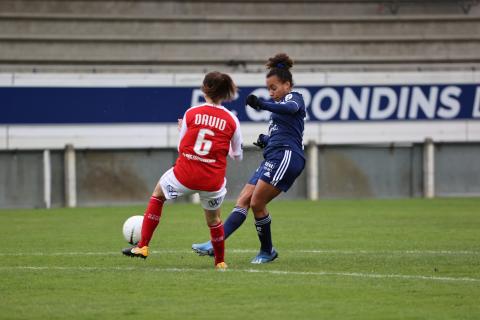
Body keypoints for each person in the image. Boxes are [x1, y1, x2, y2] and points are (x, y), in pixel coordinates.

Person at [122, 71, 243, 271]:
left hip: (185, 174)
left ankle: (142, 247)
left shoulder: (191, 113)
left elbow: (182, 148)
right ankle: (220, 262)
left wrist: (184, 132)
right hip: (212, 180)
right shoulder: (232, 120)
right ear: (225, 93)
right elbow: (237, 156)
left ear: (204, 89)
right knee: (214, 220)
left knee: (158, 195)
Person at [192, 53, 306, 264]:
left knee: (257, 202)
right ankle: (214, 243)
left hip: (287, 157)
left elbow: (291, 109)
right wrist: (267, 140)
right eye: (268, 89)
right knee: (244, 199)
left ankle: (267, 250)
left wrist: (262, 104)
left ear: (287, 85)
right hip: (274, 155)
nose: (271, 93)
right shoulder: (277, 109)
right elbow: (283, 132)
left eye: (274, 88)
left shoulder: (294, 97)